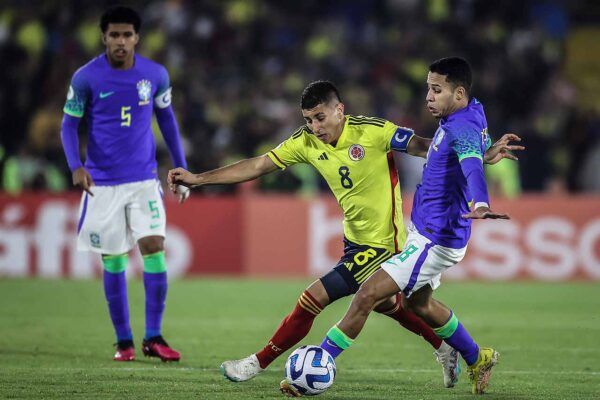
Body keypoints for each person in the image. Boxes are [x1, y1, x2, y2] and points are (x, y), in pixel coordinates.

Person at [168, 80, 517, 387]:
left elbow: (428, 145)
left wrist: (479, 155)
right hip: (356, 242)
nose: (315, 127)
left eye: (320, 117)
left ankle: (257, 362)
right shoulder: (305, 142)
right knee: (400, 305)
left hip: (386, 242)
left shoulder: (372, 131)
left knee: (313, 299)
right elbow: (258, 165)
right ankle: (451, 349)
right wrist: (199, 179)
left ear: (340, 110)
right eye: (308, 120)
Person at [317, 57, 524, 396]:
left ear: (458, 93)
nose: (428, 96)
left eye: (436, 89)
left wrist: (482, 202)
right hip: (428, 231)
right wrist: (486, 148)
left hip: (435, 239)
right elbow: (470, 149)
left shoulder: (460, 126)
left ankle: (319, 362)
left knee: (367, 294)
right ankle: (477, 358)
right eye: (428, 88)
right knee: (419, 304)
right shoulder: (470, 112)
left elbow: (471, 168)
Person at [60, 6, 189, 362]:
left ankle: (154, 336)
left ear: (137, 37)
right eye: (114, 35)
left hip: (144, 180)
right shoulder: (86, 78)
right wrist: (76, 166)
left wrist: (181, 166)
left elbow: (167, 118)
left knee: (154, 247)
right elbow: (68, 125)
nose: (120, 41)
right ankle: (123, 341)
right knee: (114, 260)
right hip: (102, 184)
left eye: (126, 35)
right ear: (103, 37)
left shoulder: (155, 74)